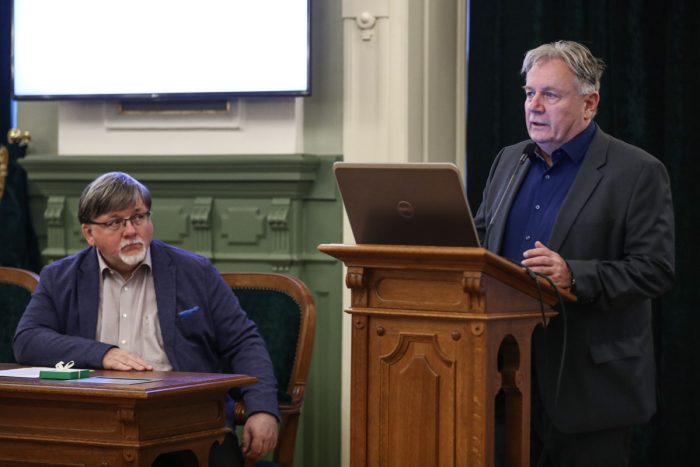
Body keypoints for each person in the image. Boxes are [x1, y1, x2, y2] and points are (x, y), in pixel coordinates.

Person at [474, 41, 675, 466]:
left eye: (550, 94)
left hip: (589, 389)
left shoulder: (637, 171)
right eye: (529, 93)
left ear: (590, 103)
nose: (534, 106)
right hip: (503, 378)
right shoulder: (509, 161)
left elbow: (655, 270)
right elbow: (481, 241)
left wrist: (573, 275)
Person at [13, 171, 279, 467]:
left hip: (188, 421)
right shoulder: (60, 277)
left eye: (138, 217)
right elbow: (27, 340)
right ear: (89, 233)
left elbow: (243, 342)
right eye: (115, 222)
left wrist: (262, 409)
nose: (130, 231)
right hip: (96, 423)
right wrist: (103, 354)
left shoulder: (195, 271)